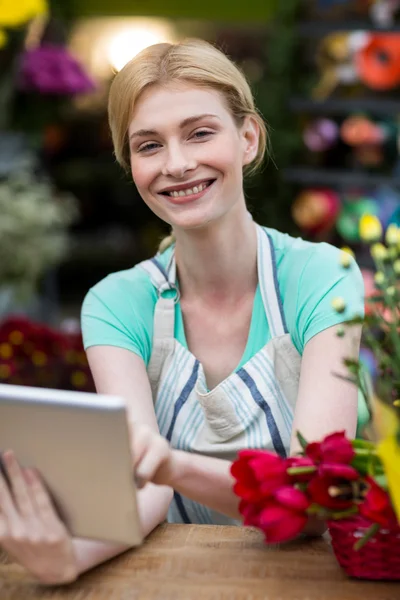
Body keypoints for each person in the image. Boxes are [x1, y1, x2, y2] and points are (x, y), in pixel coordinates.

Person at [0, 39, 364, 584]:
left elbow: (310, 503)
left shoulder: (321, 278)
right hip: (176, 573)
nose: (176, 164)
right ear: (131, 165)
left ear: (247, 138)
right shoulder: (117, 303)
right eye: (149, 146)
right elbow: (144, 487)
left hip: (315, 578)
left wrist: (172, 466)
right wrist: (68, 557)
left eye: (199, 132)